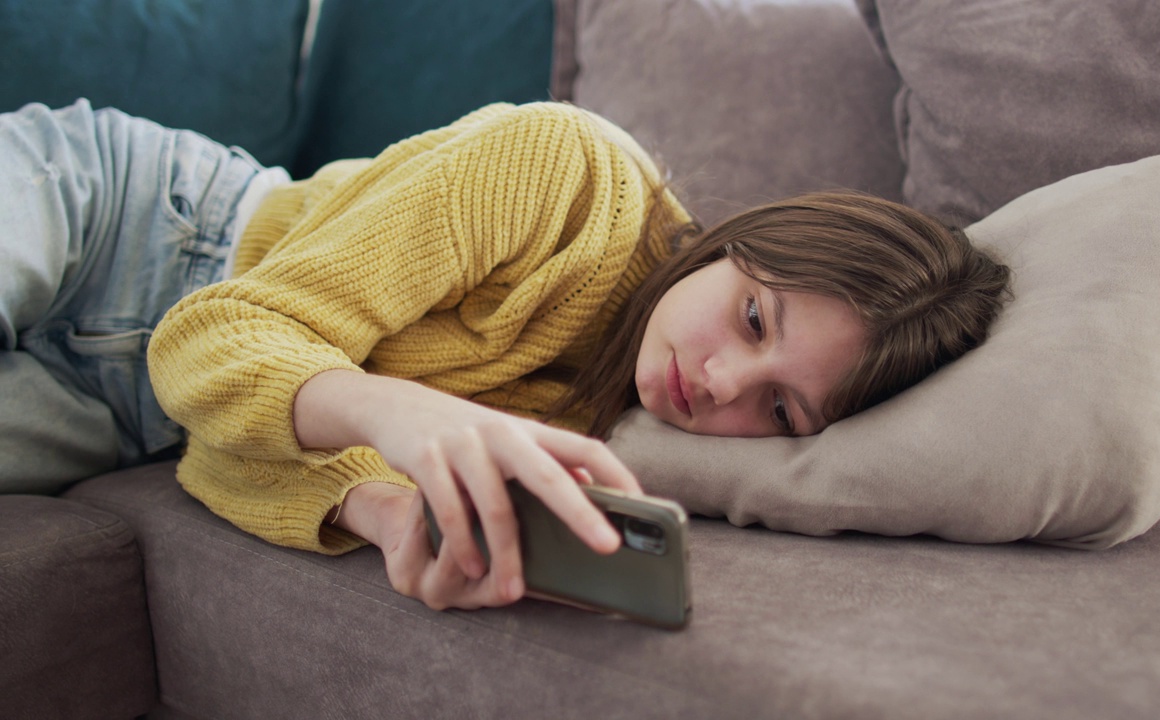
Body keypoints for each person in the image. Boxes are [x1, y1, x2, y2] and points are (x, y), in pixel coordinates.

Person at [0, 99, 1010, 612]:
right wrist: (398, 414)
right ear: (743, 239)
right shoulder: (563, 173)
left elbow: (212, 441)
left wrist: (381, 507)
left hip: (132, 413)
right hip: (121, 213)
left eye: (780, 410)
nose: (719, 387)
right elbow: (214, 329)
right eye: (753, 319)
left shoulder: (599, 422)